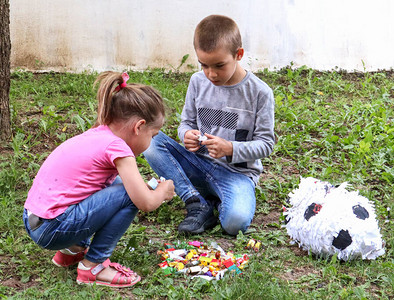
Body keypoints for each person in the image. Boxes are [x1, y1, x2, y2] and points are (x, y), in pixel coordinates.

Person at [23, 71, 175, 288]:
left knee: (114, 186)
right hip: (53, 228)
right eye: (152, 135)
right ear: (139, 126)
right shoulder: (118, 147)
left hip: (35, 219)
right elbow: (145, 202)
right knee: (128, 194)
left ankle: (71, 250)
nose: (151, 142)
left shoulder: (97, 133)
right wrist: (163, 191)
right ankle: (93, 267)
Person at [143, 15, 275, 236]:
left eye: (219, 65)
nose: (211, 74)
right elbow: (186, 123)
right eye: (204, 65)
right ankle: (196, 201)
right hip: (198, 165)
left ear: (238, 54)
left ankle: (218, 200)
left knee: (235, 223)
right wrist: (187, 134)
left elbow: (266, 144)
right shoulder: (197, 82)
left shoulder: (260, 93)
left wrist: (231, 148)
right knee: (150, 140)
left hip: (237, 175)